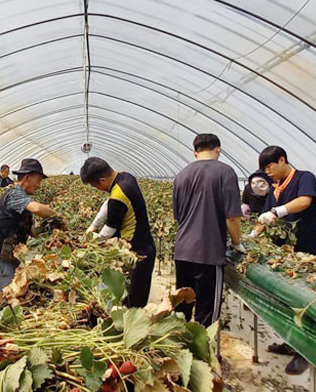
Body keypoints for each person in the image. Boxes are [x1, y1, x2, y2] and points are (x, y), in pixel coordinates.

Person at [255, 145, 316, 375]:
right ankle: (290, 342)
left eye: (269, 167)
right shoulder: (275, 188)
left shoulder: (304, 178)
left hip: (303, 252)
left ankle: (305, 353)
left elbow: (304, 201)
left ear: (282, 160)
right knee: (286, 301)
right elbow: (264, 217)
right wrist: (253, 234)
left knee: (303, 300)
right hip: (282, 254)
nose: (268, 173)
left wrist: (278, 212)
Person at [172, 134, 244, 327]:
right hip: (208, 253)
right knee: (207, 312)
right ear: (218, 150)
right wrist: (236, 242)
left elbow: (178, 216)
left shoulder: (181, 175)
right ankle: (203, 345)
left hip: (182, 251)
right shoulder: (225, 172)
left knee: (182, 306)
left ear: (195, 152)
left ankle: (179, 342)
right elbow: (232, 217)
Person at [80, 157, 156, 308]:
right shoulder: (126, 178)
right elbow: (108, 203)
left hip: (137, 254)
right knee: (129, 296)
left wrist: (90, 244)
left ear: (102, 180)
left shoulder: (118, 197)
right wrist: (93, 226)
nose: (97, 189)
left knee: (134, 303)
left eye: (95, 186)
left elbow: (108, 232)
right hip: (144, 246)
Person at [0, 158, 57, 293]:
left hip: (9, 262)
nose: (39, 185)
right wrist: (58, 217)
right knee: (5, 302)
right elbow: (37, 209)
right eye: (38, 180)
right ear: (27, 177)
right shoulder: (15, 194)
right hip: (1, 265)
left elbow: (30, 231)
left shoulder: (21, 197)